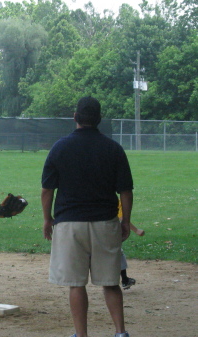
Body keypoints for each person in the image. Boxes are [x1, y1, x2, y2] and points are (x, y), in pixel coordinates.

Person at [41, 96, 133, 337]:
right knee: (111, 282)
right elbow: (125, 191)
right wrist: (125, 221)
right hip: (105, 222)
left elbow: (47, 189)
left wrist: (47, 218)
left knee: (76, 283)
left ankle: (81, 335)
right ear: (99, 119)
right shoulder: (113, 148)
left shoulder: (60, 147)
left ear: (75, 117)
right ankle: (120, 332)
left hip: (70, 223)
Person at [118, 201, 145, 290]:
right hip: (109, 229)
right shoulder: (113, 200)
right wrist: (136, 230)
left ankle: (124, 279)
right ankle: (124, 280)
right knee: (117, 253)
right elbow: (122, 218)